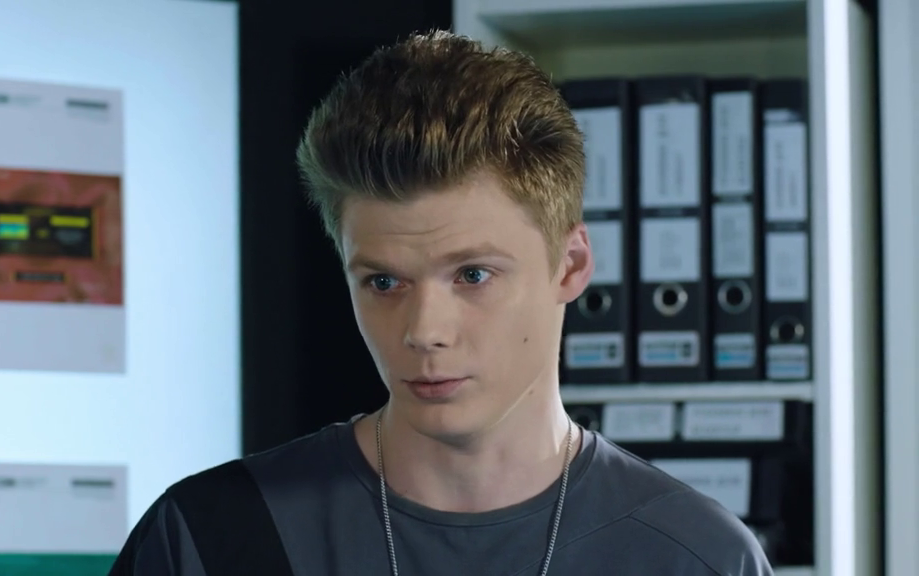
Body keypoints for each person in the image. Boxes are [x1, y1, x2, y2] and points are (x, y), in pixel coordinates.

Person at [107, 30, 774, 576]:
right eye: (384, 283)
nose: (424, 332)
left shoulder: (698, 559)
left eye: (472, 275)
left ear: (570, 265)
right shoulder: (210, 539)